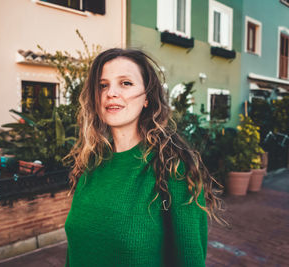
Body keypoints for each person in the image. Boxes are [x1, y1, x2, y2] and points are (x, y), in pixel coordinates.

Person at [63, 48, 223, 267]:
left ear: (147, 97)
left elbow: (190, 260)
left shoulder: (173, 169)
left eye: (125, 83)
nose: (111, 93)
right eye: (103, 85)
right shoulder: (91, 164)